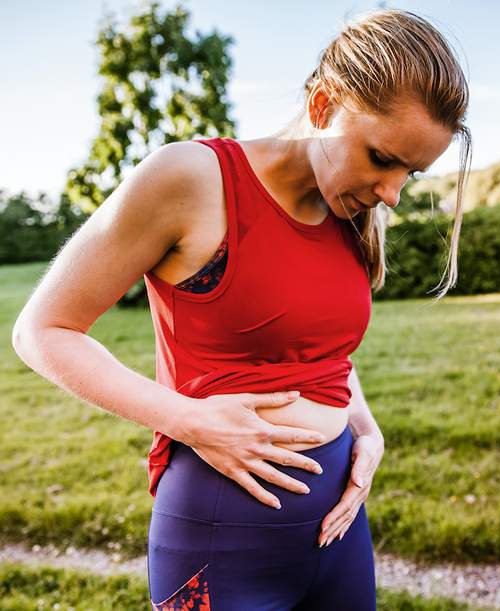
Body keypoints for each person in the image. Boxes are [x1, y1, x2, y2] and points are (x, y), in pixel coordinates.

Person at [12, 8, 471, 610]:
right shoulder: (191, 179)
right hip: (219, 535)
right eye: (382, 158)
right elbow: (43, 330)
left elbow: (320, 351)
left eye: (410, 172)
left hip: (337, 528)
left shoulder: (351, 211)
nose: (392, 192)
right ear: (322, 104)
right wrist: (189, 419)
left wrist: (364, 427)